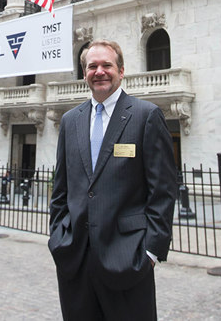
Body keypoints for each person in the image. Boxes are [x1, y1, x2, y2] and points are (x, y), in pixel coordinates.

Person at [49, 39, 177, 321]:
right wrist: (58, 238)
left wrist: (151, 253)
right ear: (85, 74)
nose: (100, 71)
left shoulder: (146, 116)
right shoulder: (70, 120)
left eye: (107, 65)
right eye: (92, 66)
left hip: (128, 259)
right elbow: (61, 189)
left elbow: (163, 191)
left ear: (121, 71)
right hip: (74, 260)